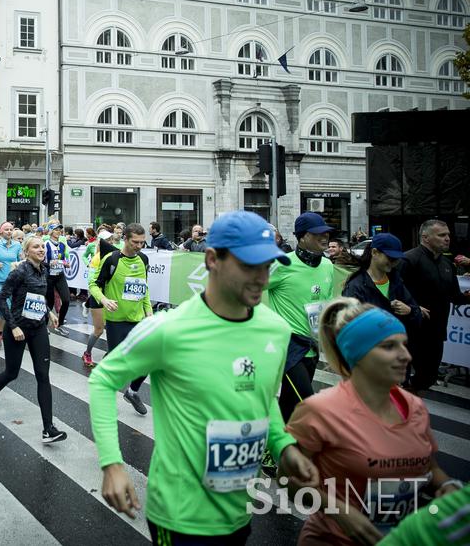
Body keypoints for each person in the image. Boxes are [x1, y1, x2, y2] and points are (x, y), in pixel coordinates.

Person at [89, 210, 319, 544]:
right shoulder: (169, 330)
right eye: (248, 266)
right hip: (179, 517)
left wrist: (283, 446)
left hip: (239, 511)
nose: (261, 279)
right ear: (212, 259)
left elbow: (263, 399)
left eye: (267, 267)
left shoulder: (277, 330)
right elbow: (102, 381)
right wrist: (112, 464)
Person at [287, 298, 460, 544]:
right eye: (389, 347)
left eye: (404, 345)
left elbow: (430, 468)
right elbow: (290, 483)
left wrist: (448, 486)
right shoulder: (319, 410)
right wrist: (340, 512)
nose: (406, 356)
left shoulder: (415, 408)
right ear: (358, 353)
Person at [265, 212, 339, 449]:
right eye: (319, 233)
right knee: (308, 402)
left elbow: (325, 307)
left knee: (289, 401)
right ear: (303, 237)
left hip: (312, 346)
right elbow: (248, 289)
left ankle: (272, 450)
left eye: (327, 232)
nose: (325, 237)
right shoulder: (281, 265)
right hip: (288, 346)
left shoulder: (328, 266)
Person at [0, 235, 67, 444]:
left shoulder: (44, 269)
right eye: (36, 247)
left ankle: (48, 429)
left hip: (38, 328)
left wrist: (49, 312)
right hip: (17, 328)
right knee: (11, 373)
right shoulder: (19, 272)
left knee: (43, 376)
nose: (41, 249)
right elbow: (2, 298)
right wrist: (12, 326)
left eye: (42, 246)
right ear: (26, 251)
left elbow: (38, 296)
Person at [87, 223, 152, 414]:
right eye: (135, 242)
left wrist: (148, 311)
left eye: (142, 242)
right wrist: (104, 300)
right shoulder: (111, 259)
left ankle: (132, 392)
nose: (139, 246)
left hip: (138, 318)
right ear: (125, 239)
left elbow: (144, 287)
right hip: (117, 320)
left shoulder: (144, 259)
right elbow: (93, 285)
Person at [400, 219, 470, 395]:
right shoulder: (409, 259)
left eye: (448, 235)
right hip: (411, 332)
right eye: (441, 235)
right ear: (425, 237)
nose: (447, 238)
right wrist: (413, 307)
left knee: (428, 378)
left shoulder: (447, 265)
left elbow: (455, 296)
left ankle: (411, 406)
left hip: (437, 332)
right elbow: (395, 292)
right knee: (403, 379)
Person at [81, 227, 118, 365]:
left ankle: (110, 354)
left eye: (111, 239)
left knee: (114, 328)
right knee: (99, 330)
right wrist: (99, 296)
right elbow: (92, 282)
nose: (110, 242)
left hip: (112, 296)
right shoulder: (97, 258)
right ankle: (87, 353)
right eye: (107, 240)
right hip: (99, 298)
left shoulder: (115, 254)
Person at [44, 223, 72, 337]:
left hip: (60, 275)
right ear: (51, 231)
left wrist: (66, 263)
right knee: (49, 304)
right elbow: (41, 261)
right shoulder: (46, 244)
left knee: (66, 300)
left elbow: (64, 259)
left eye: (60, 229)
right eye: (56, 229)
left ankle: (59, 324)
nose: (59, 231)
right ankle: (44, 326)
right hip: (49, 276)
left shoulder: (62, 245)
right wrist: (49, 263)